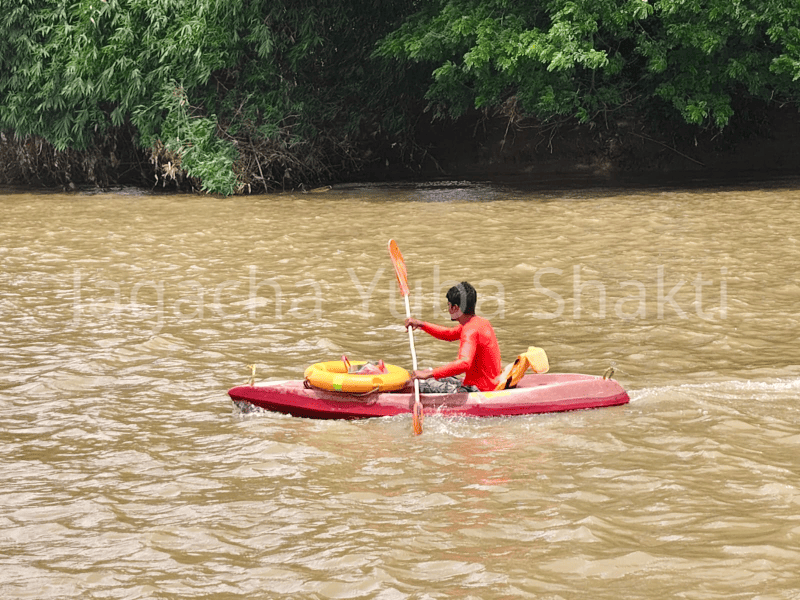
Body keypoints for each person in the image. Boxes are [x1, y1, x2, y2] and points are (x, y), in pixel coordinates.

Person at [405, 281, 501, 393]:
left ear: (455, 307)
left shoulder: (470, 330)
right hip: (488, 384)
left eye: (449, 305)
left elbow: (464, 363)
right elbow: (449, 334)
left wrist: (429, 375)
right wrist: (422, 325)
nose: (448, 308)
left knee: (420, 383)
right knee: (428, 371)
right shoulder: (480, 322)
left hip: (478, 390)